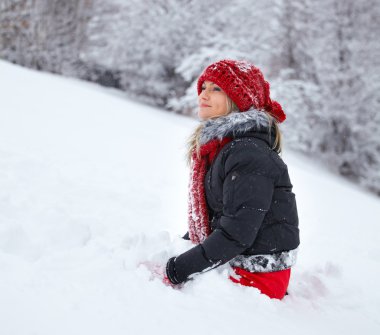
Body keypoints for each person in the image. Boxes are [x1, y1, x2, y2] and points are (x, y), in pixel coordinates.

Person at [164, 59, 300, 299]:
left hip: (256, 277)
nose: (203, 95)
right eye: (203, 87)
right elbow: (219, 217)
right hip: (238, 258)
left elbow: (236, 233)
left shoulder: (248, 154)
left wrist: (176, 270)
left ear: (239, 100)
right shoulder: (225, 147)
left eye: (216, 89)